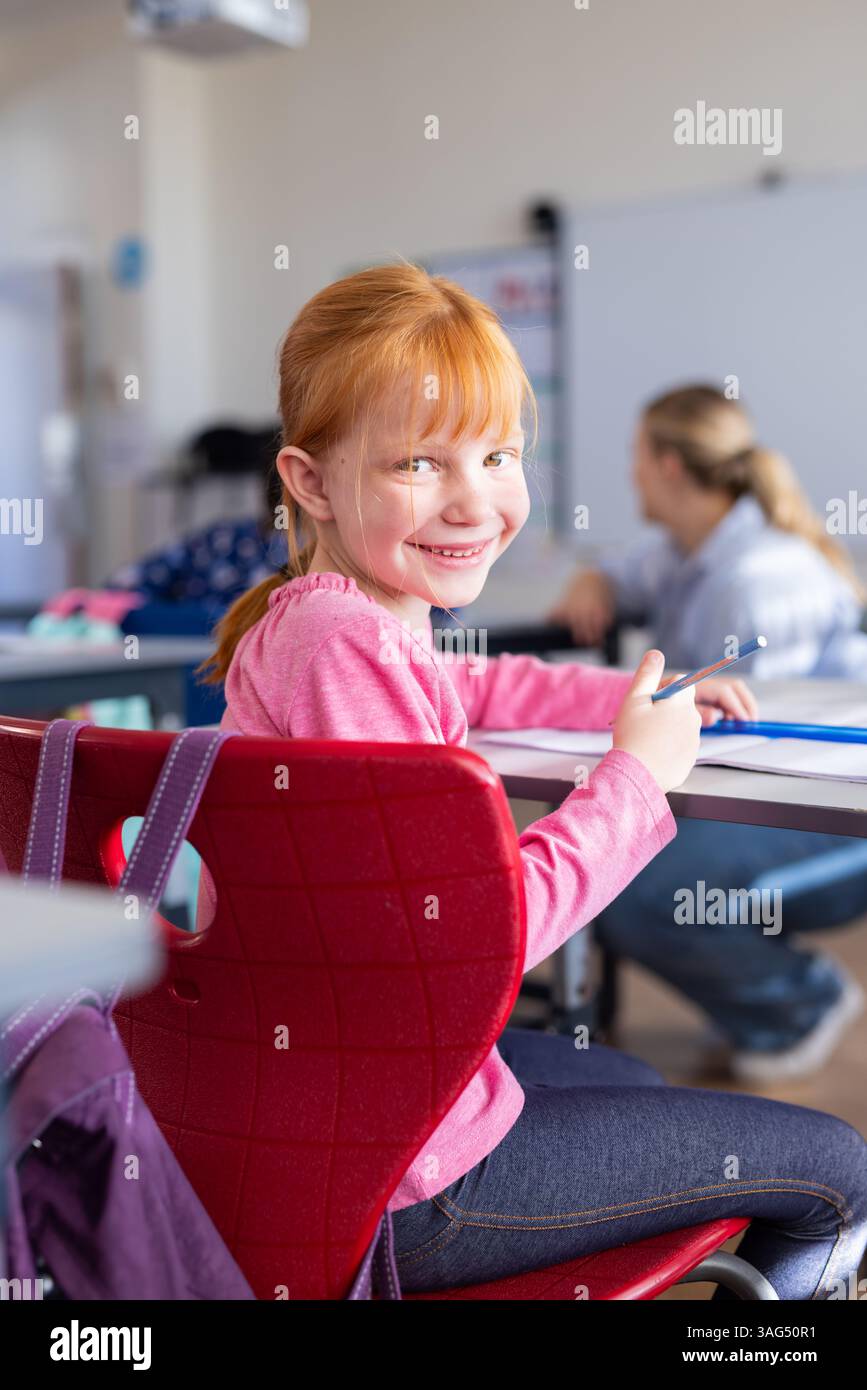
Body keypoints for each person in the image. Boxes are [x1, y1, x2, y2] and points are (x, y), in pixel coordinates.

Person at [197, 265, 867, 1299]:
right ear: (312, 481)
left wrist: (619, 696)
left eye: (499, 454)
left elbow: (473, 675)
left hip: (325, 1114)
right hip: (400, 1175)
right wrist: (636, 777)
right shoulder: (347, 647)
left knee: (628, 1078)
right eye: (421, 461)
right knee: (839, 1173)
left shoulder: (317, 620)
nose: (475, 498)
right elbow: (472, 939)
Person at [549, 385, 867, 1082]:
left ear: (667, 466)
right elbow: (620, 571)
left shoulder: (761, 577)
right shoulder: (683, 547)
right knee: (599, 841)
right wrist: (592, 578)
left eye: (635, 455)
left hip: (834, 811)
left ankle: (799, 1001)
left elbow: (756, 754)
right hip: (773, 791)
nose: (628, 471)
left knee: (637, 887)